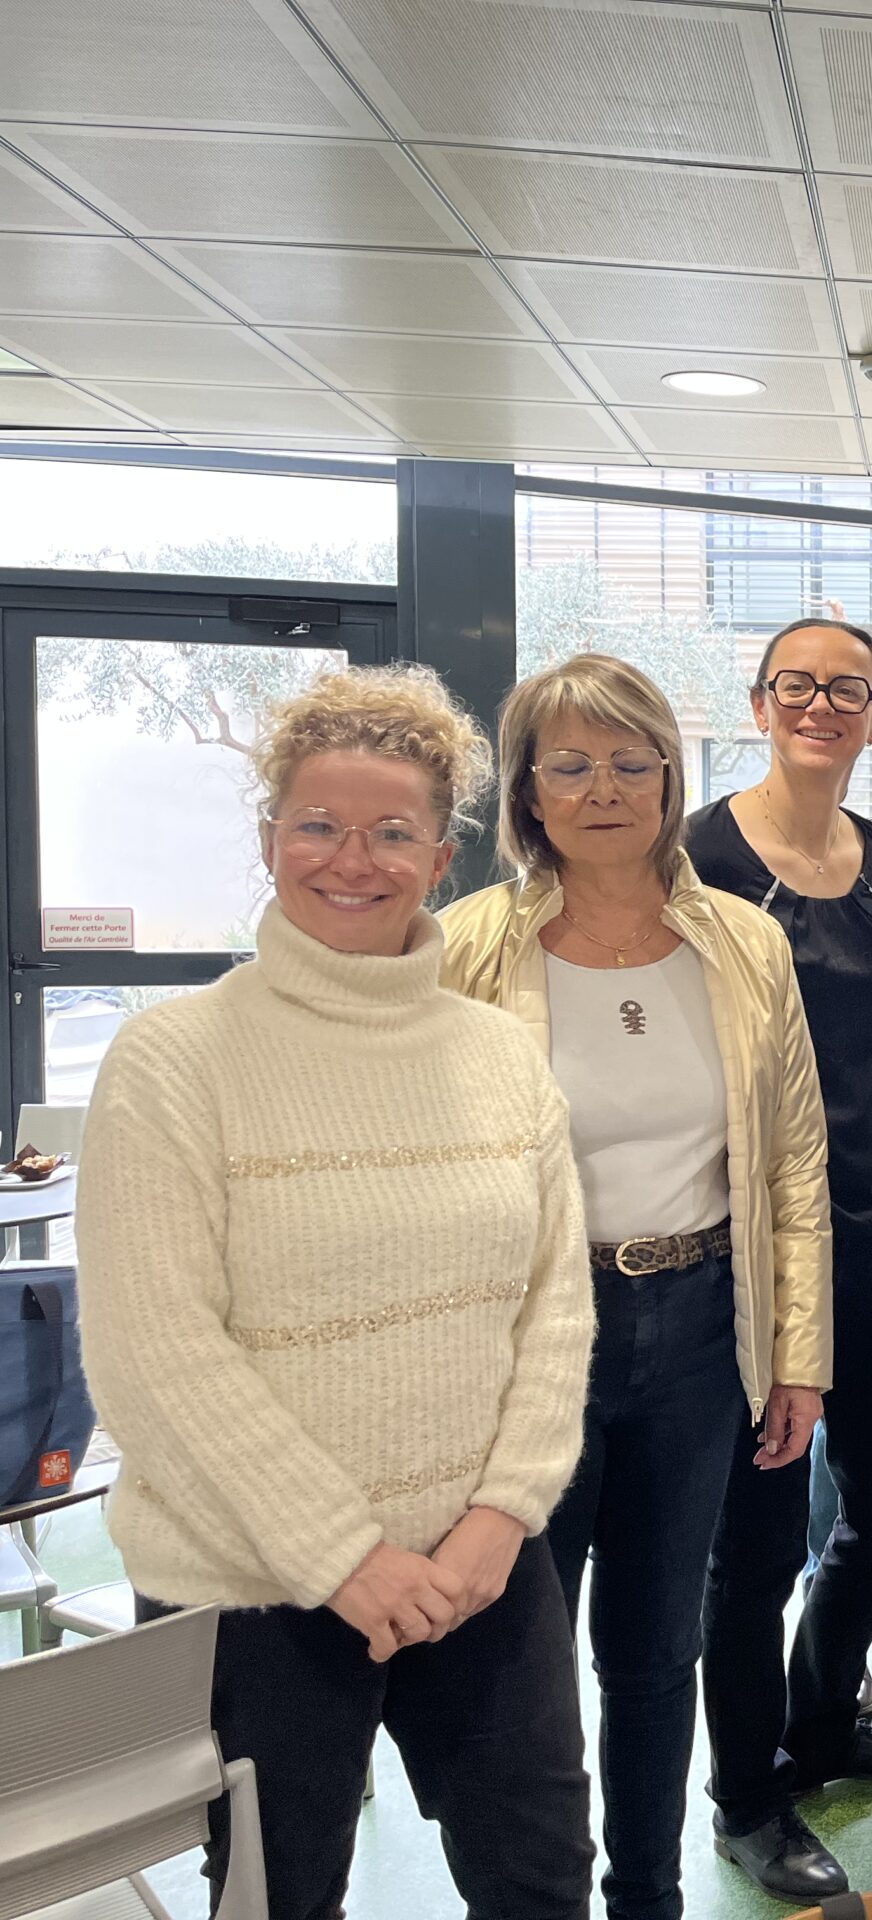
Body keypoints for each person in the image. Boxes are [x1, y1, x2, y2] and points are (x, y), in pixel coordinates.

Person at [79, 665, 596, 1920]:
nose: (350, 859)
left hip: (481, 1568)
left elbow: (555, 1304)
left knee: (539, 1873)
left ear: (441, 853)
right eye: (317, 824)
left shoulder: (497, 1056)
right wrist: (344, 1558)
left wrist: (498, 1521)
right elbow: (154, 1356)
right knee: (277, 1891)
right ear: (268, 840)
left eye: (392, 831)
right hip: (254, 1584)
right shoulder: (172, 1061)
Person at [442, 652, 833, 1920]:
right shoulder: (462, 950)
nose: (602, 788)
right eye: (569, 764)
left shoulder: (742, 943)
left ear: (670, 777)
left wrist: (797, 1353)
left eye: (630, 760)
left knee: (660, 1653)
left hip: (697, 1327)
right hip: (532, 1343)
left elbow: (790, 1165)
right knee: (520, 1659)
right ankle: (531, 1897)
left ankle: (648, 1895)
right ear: (528, 791)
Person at [686, 617, 872, 1902]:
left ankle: (821, 1715)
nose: (824, 706)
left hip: (862, 1223)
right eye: (800, 685)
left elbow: (869, 1041)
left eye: (850, 689)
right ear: (759, 701)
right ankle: (746, 1797)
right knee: (756, 1541)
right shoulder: (702, 854)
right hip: (737, 1243)